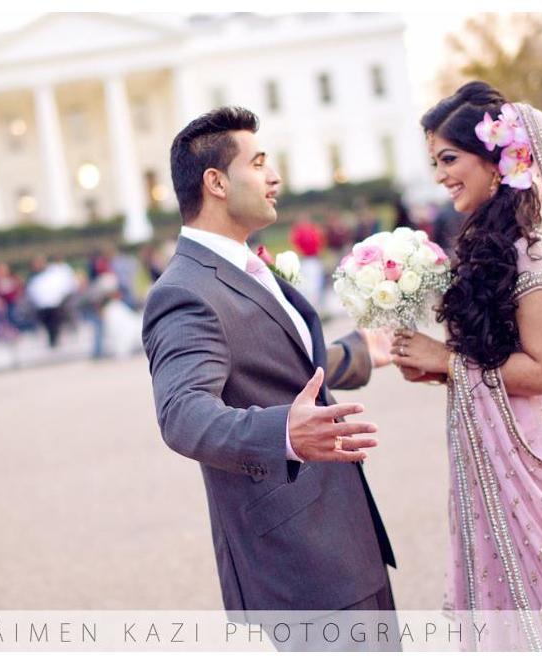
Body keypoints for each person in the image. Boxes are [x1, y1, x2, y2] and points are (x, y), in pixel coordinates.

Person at [391, 81, 542, 651]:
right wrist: (441, 369)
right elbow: (491, 357)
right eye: (435, 163)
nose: (440, 176)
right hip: (499, 448)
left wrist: (448, 360)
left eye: (449, 159)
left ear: (495, 161)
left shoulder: (534, 251)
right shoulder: (490, 242)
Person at [142, 107, 397, 651]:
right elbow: (183, 414)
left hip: (344, 538)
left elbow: (280, 362)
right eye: (258, 164)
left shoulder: (243, 265)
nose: (274, 177)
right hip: (299, 562)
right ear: (216, 182)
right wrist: (284, 433)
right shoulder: (184, 291)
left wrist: (361, 352)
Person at [26, 255, 77, 348]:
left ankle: (56, 341)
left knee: (55, 325)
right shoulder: (33, 277)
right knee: (48, 326)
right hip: (42, 306)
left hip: (55, 304)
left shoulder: (53, 272)